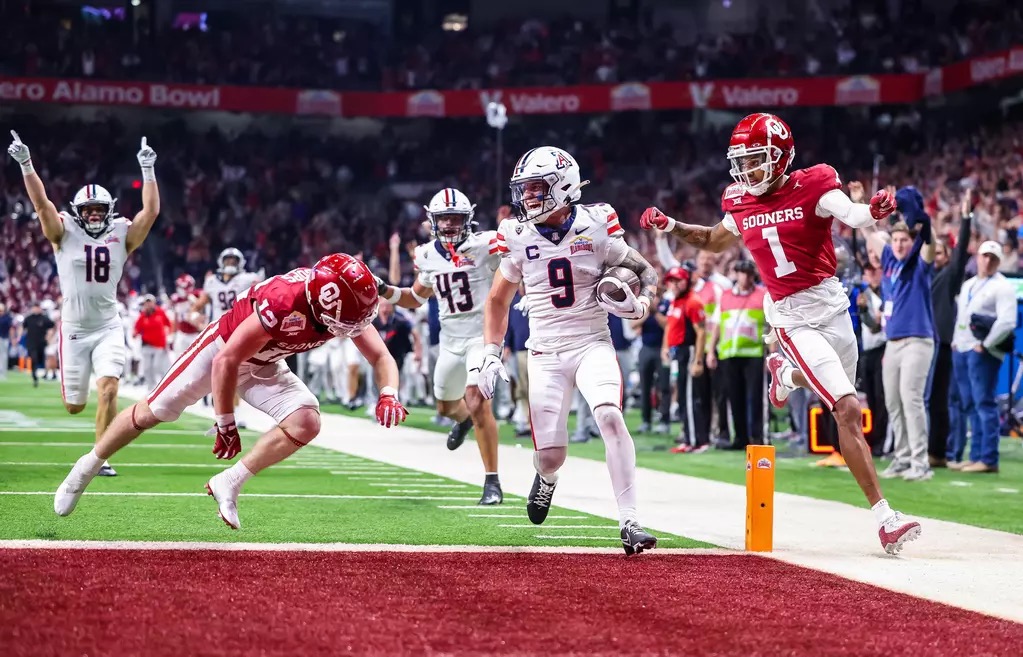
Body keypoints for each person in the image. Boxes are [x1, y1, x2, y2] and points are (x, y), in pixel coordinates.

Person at [639, 112, 921, 554]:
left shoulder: (814, 183)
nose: (747, 170)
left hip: (832, 303)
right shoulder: (740, 199)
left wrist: (873, 212)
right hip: (790, 315)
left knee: (841, 400)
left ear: (781, 156)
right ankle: (885, 518)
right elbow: (714, 239)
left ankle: (785, 375)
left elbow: (850, 212)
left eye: (756, 159)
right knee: (847, 408)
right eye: (743, 161)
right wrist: (672, 226)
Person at [54, 253, 408, 527]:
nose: (351, 329)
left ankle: (231, 482)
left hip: (267, 362)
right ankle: (88, 465)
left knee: (306, 421)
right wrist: (225, 421)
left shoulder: (343, 299)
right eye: (345, 321)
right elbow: (227, 360)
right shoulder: (285, 302)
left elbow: (380, 355)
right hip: (222, 349)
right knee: (151, 412)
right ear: (319, 303)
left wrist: (389, 392)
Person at [479, 145, 660, 555]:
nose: (527, 198)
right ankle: (546, 480)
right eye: (523, 189)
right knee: (551, 456)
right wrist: (491, 351)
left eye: (536, 188)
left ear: (562, 187)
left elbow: (646, 271)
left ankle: (630, 520)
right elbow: (497, 300)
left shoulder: (596, 224)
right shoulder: (517, 233)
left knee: (611, 417)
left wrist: (642, 304)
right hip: (544, 352)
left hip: (592, 342)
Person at [8, 131, 160, 478]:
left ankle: (99, 458)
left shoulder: (122, 232)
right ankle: (90, 426)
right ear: (78, 212)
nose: (93, 214)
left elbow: (150, 211)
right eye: (88, 209)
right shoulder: (64, 231)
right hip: (74, 329)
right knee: (74, 406)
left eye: (99, 209)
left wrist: (148, 169)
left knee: (109, 389)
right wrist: (26, 165)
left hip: (108, 325)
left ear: (109, 211)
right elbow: (41, 205)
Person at [376, 188, 504, 505]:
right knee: (446, 408)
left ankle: (492, 482)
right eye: (443, 217)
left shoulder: (486, 244)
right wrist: (384, 289)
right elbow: (416, 297)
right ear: (432, 220)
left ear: (467, 219)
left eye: (454, 217)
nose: (448, 223)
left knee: (477, 400)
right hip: (449, 342)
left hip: (480, 337)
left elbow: (516, 262)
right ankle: (462, 420)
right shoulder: (427, 255)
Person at [860, 185, 936, 482]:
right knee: (892, 400)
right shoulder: (890, 262)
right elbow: (869, 233)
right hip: (893, 342)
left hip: (918, 339)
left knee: (911, 398)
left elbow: (929, 244)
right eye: (896, 239)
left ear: (911, 240)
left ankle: (921, 462)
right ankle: (903, 457)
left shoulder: (919, 264)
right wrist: (859, 202)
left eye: (905, 239)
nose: (900, 244)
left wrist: (924, 225)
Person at [950, 241, 1017, 473]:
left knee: (984, 403)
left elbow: (1008, 322)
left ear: (998, 261)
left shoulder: (1003, 287)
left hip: (983, 352)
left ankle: (989, 458)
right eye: (984, 256)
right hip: (963, 348)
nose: (987, 261)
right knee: (970, 404)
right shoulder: (969, 284)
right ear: (977, 257)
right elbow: (961, 318)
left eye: (992, 258)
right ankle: (977, 454)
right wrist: (957, 343)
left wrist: (986, 345)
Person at [930, 194, 973, 466]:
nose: (936, 256)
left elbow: (960, 256)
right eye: (933, 252)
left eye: (940, 253)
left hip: (942, 344)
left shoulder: (950, 275)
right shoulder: (920, 274)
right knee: (920, 402)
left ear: (946, 257)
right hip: (920, 342)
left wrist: (965, 219)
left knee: (939, 402)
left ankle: (938, 453)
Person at [706, 259, 767, 450]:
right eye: (741, 273)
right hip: (729, 354)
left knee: (756, 398)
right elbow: (717, 325)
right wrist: (711, 351)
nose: (745, 277)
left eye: (748, 273)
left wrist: (772, 354)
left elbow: (770, 325)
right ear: (736, 274)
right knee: (735, 397)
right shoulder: (724, 296)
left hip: (754, 353)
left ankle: (757, 437)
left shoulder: (763, 295)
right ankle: (740, 438)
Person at [662, 267, 706, 451]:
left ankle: (696, 441)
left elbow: (702, 332)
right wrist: (665, 347)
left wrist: (698, 360)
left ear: (686, 281)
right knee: (683, 396)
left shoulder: (692, 302)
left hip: (688, 351)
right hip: (677, 352)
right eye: (671, 280)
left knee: (689, 397)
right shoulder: (675, 302)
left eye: (677, 280)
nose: (674, 284)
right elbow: (669, 326)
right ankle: (689, 437)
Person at [854, 263, 888, 456]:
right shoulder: (864, 295)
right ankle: (875, 439)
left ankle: (882, 441)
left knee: (882, 397)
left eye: (876, 270)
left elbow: (876, 326)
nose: (872, 274)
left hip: (883, 347)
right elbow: (868, 324)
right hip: (867, 350)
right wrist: (864, 310)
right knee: (872, 398)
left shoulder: (886, 292)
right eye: (869, 271)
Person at [632, 282, 671, 434]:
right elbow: (633, 325)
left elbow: (668, 325)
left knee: (664, 386)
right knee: (645, 386)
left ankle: (664, 420)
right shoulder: (643, 306)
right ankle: (646, 420)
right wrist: (647, 313)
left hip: (662, 349)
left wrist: (656, 314)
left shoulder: (667, 305)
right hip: (646, 348)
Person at [134, 294, 172, 386]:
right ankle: (150, 387)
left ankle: (159, 386)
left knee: (156, 366)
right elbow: (137, 328)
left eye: (150, 302)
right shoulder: (143, 316)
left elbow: (168, 324)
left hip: (159, 345)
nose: (148, 304)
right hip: (147, 344)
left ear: (154, 303)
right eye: (146, 303)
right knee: (147, 368)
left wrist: (169, 337)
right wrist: (135, 334)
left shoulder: (160, 312)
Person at [170, 274, 205, 358]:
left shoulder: (197, 295)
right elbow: (176, 318)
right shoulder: (176, 299)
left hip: (195, 333)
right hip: (182, 333)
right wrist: (173, 335)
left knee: (196, 359)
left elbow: (203, 312)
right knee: (179, 358)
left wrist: (196, 301)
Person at [21, 302, 55, 387]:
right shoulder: (28, 318)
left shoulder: (44, 318)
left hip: (41, 343)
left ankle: (44, 373)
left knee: (41, 359)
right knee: (33, 359)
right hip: (31, 343)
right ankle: (34, 375)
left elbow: (52, 326)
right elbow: (23, 328)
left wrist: (49, 336)